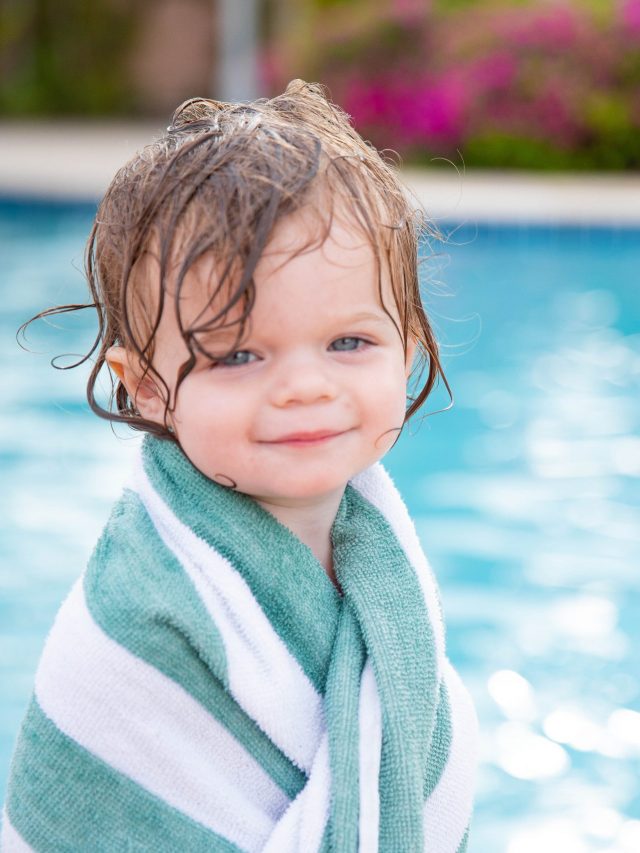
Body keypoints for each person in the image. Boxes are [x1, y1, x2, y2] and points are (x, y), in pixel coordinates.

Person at [2, 80, 477, 852]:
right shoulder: (143, 616)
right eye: (240, 354)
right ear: (147, 387)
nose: (305, 386)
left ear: (408, 349)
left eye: (349, 342)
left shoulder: (379, 562)